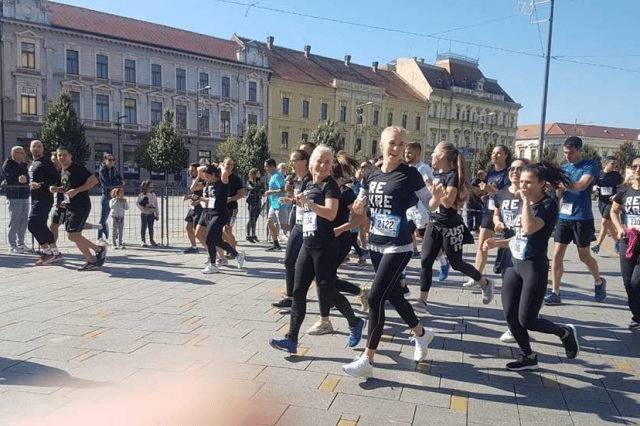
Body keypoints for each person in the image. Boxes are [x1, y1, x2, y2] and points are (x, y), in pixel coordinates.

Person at [341, 127, 435, 378]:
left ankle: (367, 360)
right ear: (381, 145)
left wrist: (438, 199)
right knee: (395, 297)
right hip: (375, 244)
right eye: (393, 143)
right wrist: (359, 207)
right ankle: (422, 335)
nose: (398, 149)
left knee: (374, 298)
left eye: (402, 144)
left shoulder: (411, 175)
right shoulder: (370, 174)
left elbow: (429, 203)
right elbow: (360, 206)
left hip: (399, 245)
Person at [483, 162, 579, 370]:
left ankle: (564, 333)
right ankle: (528, 356)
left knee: (527, 319)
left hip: (533, 266)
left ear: (541, 184)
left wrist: (525, 201)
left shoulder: (547, 205)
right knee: (510, 315)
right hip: (513, 263)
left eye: (528, 182)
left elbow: (528, 229)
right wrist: (496, 243)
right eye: (522, 181)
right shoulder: (522, 202)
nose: (523, 185)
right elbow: (518, 236)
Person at [270, 145, 364, 354]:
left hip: (325, 247)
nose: (322, 165)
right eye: (319, 161)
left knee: (328, 290)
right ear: (311, 162)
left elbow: (330, 213)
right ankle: (291, 339)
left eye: (327, 162)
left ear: (331, 167)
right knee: (298, 291)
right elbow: (307, 204)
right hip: (308, 243)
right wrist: (295, 201)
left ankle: (354, 322)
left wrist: (310, 204)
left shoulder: (330, 186)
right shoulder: (309, 183)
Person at [417, 141, 494, 313]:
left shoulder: (452, 176)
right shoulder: (438, 175)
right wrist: (431, 193)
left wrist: (432, 188)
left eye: (434, 153)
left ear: (442, 156)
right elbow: (432, 204)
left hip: (450, 226)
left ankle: (484, 282)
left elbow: (449, 203)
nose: (431, 156)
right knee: (425, 260)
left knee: (456, 263)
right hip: (435, 223)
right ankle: (422, 301)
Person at [546, 136, 606, 305]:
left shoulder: (590, 165)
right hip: (564, 217)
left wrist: (562, 183)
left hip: (582, 217)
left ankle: (599, 281)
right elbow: (559, 194)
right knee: (557, 254)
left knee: (584, 257)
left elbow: (582, 185)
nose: (567, 156)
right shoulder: (564, 167)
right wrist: (555, 187)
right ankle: (555, 292)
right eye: (565, 153)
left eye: (571, 153)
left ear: (580, 150)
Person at [491, 158, 529, 344]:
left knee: (519, 288)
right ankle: (514, 325)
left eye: (519, 169)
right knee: (507, 286)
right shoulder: (502, 194)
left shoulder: (529, 195)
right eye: (512, 169)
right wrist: (497, 222)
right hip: (507, 246)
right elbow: (496, 212)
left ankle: (517, 326)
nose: (515, 171)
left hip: (525, 247)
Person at [51, 147, 106, 270]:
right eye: (59, 155)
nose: (62, 157)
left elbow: (93, 181)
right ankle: (92, 261)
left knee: (73, 235)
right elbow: (68, 187)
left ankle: (99, 249)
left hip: (81, 205)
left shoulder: (77, 169)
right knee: (75, 235)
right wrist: (58, 189)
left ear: (70, 156)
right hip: (70, 206)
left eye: (64, 155)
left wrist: (77, 191)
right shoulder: (63, 171)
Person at [464, 145, 511, 289]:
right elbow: (489, 192)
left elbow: (508, 193)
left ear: (506, 155)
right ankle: (477, 277)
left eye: (498, 153)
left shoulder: (509, 172)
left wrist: (491, 190)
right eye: (493, 153)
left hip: (505, 212)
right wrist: (482, 194)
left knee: (509, 245)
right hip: (489, 211)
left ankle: (509, 276)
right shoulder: (489, 173)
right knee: (482, 244)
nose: (494, 155)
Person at [272, 149, 312, 311]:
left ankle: (332, 297)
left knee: (312, 268)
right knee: (289, 260)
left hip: (309, 226)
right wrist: (291, 198)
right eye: (291, 160)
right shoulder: (296, 179)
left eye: (295, 160)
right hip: (298, 224)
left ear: (304, 161)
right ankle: (291, 297)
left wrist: (294, 200)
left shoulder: (310, 179)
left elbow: (310, 201)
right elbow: (299, 201)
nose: (292, 164)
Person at [610, 156, 640, 330]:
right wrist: (619, 227)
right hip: (628, 241)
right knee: (628, 281)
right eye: (634, 166)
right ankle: (637, 316)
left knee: (637, 281)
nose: (637, 169)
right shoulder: (624, 191)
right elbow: (614, 211)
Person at [200, 164, 245, 274]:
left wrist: (221, 165)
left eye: (208, 176)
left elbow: (224, 172)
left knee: (209, 238)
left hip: (220, 215)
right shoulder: (211, 184)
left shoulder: (222, 182)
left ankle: (213, 265)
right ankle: (237, 255)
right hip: (211, 213)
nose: (207, 179)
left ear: (214, 174)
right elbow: (211, 198)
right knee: (217, 240)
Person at [27, 140, 62, 265]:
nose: (36, 148)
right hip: (35, 198)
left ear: (42, 149)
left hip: (44, 198)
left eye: (39, 146)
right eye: (34, 146)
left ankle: (48, 252)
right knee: (40, 225)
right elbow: (31, 180)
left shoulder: (46, 162)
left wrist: (40, 185)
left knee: (32, 224)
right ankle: (55, 253)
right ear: (30, 148)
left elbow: (55, 179)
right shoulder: (33, 163)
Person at [592, 156, 624, 255]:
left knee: (604, 222)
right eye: (612, 163)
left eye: (615, 163)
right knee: (609, 225)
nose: (614, 165)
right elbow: (593, 184)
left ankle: (597, 245)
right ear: (606, 163)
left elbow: (623, 187)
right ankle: (619, 242)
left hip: (613, 203)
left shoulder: (616, 175)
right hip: (602, 201)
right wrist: (594, 188)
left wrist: (616, 195)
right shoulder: (599, 174)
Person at [2, 146, 30, 253]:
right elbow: (10, 177)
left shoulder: (23, 165)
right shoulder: (8, 164)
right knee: (14, 220)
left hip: (24, 195)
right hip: (14, 196)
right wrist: (19, 179)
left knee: (23, 220)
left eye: (22, 152)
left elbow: (27, 177)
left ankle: (21, 243)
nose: (21, 154)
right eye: (18, 152)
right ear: (13, 153)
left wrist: (26, 180)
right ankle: (12, 244)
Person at [97, 152, 123, 243]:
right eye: (109, 160)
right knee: (103, 218)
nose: (112, 162)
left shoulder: (114, 169)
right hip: (107, 196)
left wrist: (118, 183)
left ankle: (115, 237)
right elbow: (107, 183)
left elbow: (120, 180)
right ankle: (99, 237)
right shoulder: (102, 170)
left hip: (115, 196)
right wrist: (117, 184)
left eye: (113, 160)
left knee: (116, 217)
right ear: (105, 160)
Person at [221, 158, 245, 252]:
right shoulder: (220, 176)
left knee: (228, 229)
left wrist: (231, 199)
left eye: (231, 164)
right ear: (223, 165)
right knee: (217, 230)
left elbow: (241, 194)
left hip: (232, 208)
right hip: (221, 207)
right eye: (227, 164)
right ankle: (232, 242)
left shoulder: (236, 179)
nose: (229, 166)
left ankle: (233, 251)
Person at [264, 158, 286, 251]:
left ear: (272, 166)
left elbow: (283, 190)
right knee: (269, 223)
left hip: (280, 204)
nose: (265, 168)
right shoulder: (273, 176)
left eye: (267, 166)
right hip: (273, 204)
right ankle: (276, 244)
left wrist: (270, 192)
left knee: (284, 226)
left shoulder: (278, 176)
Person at [183, 163, 204, 253]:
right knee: (188, 227)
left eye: (192, 170)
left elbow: (193, 188)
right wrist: (189, 197)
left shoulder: (203, 180)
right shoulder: (194, 179)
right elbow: (195, 193)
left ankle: (226, 244)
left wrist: (199, 175)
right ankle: (194, 247)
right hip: (193, 207)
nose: (190, 172)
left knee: (200, 231)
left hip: (201, 208)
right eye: (189, 170)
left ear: (197, 171)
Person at [137, 180, 158, 247]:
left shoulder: (153, 194)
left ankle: (152, 240)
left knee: (151, 227)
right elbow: (137, 203)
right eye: (150, 187)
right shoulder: (142, 195)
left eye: (152, 187)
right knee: (144, 226)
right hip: (144, 213)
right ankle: (143, 240)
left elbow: (156, 204)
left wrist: (157, 214)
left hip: (151, 212)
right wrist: (142, 208)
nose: (151, 188)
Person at [245, 168, 263, 243]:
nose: (259, 174)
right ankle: (248, 235)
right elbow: (251, 188)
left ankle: (254, 234)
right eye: (257, 173)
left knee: (255, 219)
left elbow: (262, 189)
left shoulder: (258, 181)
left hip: (258, 201)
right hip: (252, 202)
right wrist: (257, 187)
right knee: (251, 218)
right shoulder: (249, 181)